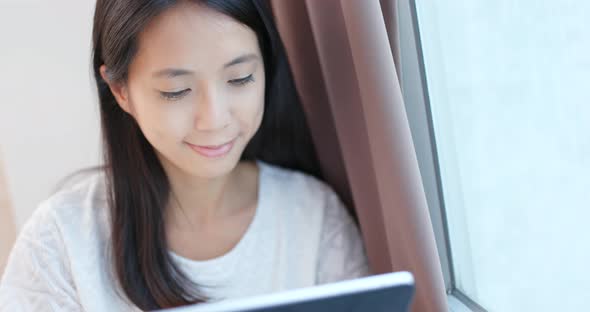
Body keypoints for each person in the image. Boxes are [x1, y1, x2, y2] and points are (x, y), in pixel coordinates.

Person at [0, 0, 371, 310]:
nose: (214, 119)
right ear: (120, 90)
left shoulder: (314, 217)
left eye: (239, 78)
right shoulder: (60, 242)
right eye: (176, 91)